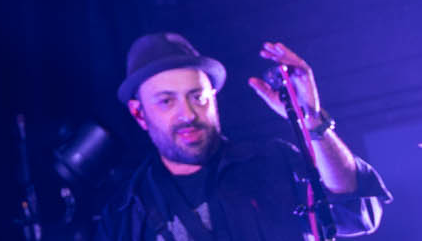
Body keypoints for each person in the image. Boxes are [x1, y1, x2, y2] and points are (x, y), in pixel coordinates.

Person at [96, 32, 389, 241]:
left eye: (197, 97)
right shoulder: (124, 214)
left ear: (214, 98)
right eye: (166, 101)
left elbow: (356, 210)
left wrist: (312, 121)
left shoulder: (274, 162)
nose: (187, 114)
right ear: (139, 114)